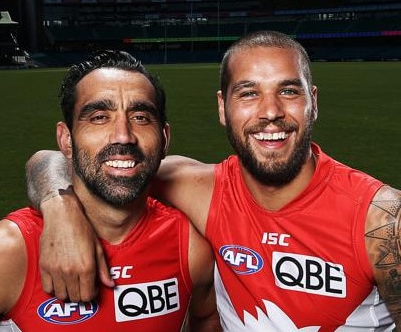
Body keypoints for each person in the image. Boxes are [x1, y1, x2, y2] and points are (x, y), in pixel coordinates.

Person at [25, 31, 401, 331]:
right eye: (249, 93)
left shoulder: (382, 220)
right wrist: (61, 208)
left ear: (313, 102)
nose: (271, 112)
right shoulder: (198, 187)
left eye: (288, 91)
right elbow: (53, 158)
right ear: (223, 107)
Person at [0, 50, 220, 332]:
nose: (123, 135)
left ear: (165, 138)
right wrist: (58, 205)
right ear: (66, 139)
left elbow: (207, 318)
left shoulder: (191, 249)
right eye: (98, 117)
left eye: (141, 117)